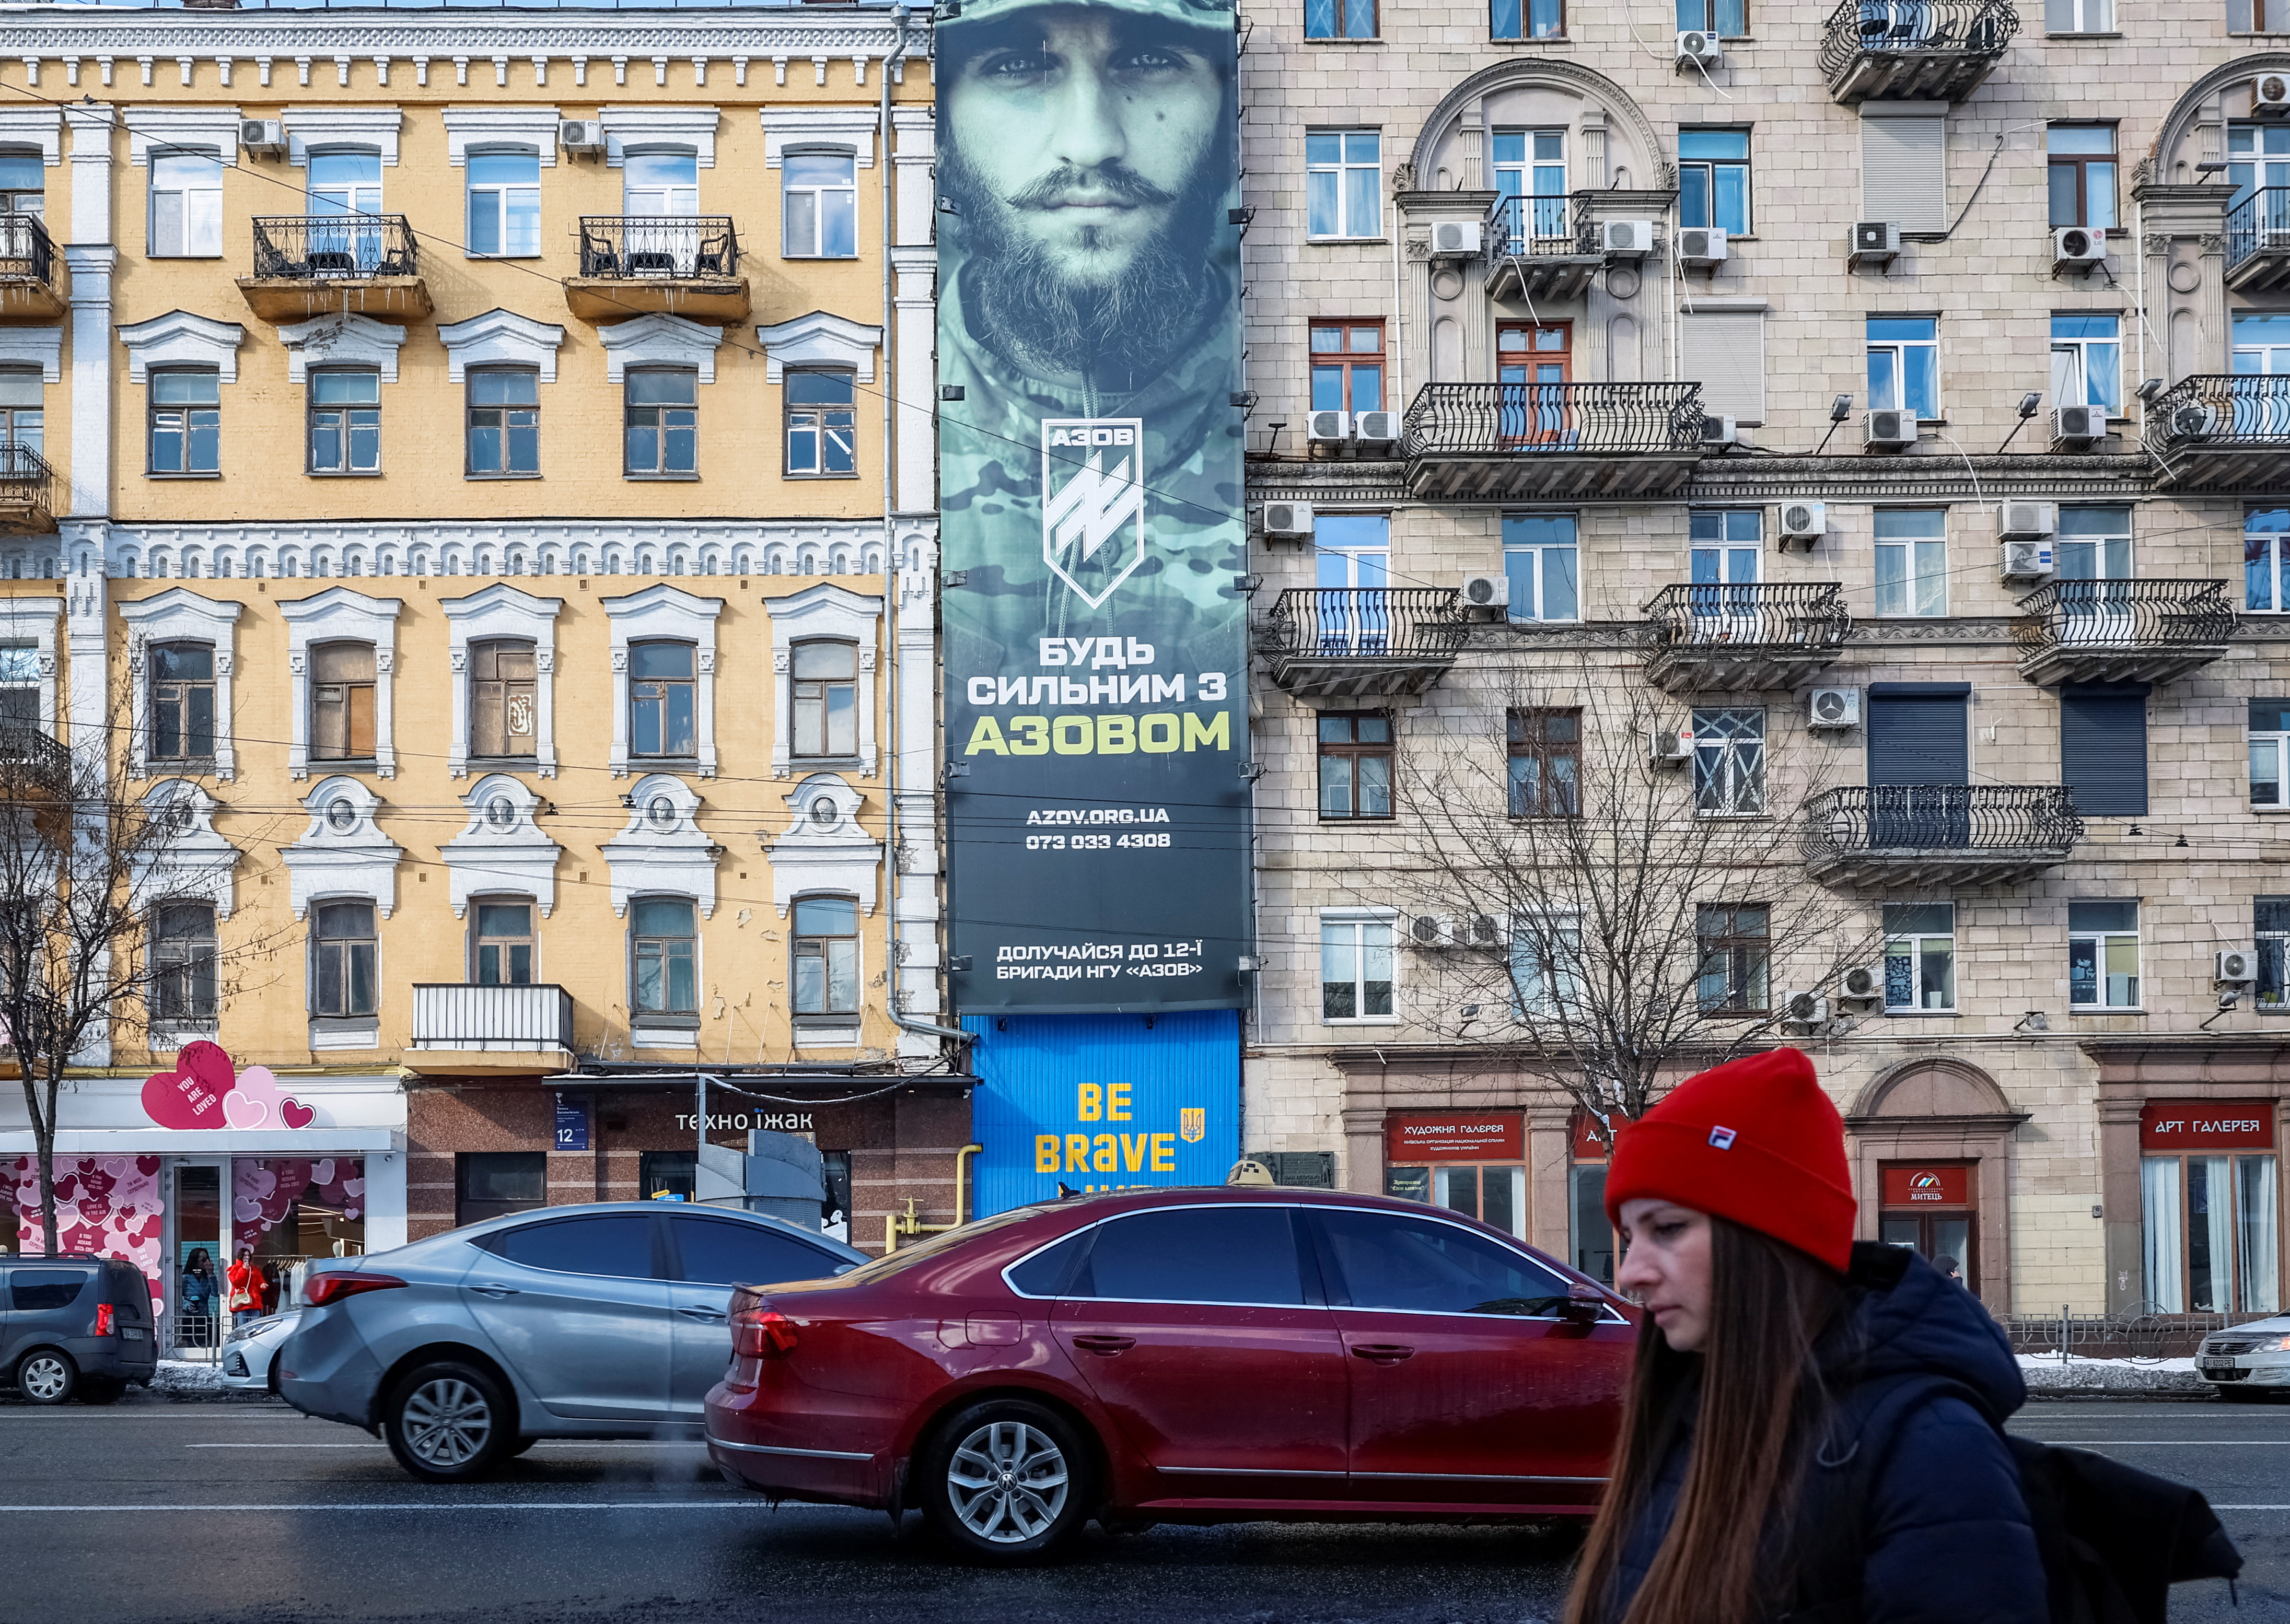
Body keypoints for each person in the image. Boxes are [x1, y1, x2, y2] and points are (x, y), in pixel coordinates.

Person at [1564, 1049, 2046, 1624]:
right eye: (1629, 1234)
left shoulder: (1929, 1449)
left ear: (1770, 1242)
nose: (1629, 1272)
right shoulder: (1692, 1407)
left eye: (1668, 1228)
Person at [177, 1247, 216, 1348]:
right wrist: (186, 1304)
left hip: (203, 1316)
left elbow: (216, 1293)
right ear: (195, 1262)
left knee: (203, 1343)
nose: (206, 1263)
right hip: (188, 1317)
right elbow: (177, 1296)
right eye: (203, 1260)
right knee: (189, 1343)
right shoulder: (185, 1278)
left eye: (208, 1259)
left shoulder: (208, 1278)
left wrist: (211, 1274)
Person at [225, 1244, 261, 1331]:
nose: (247, 1257)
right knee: (242, 1327)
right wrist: (243, 1270)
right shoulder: (235, 1269)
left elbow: (260, 1280)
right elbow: (236, 1282)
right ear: (241, 1256)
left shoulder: (254, 1269)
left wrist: (262, 1285)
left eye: (248, 1255)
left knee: (256, 1326)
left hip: (254, 1301)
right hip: (241, 1303)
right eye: (245, 1255)